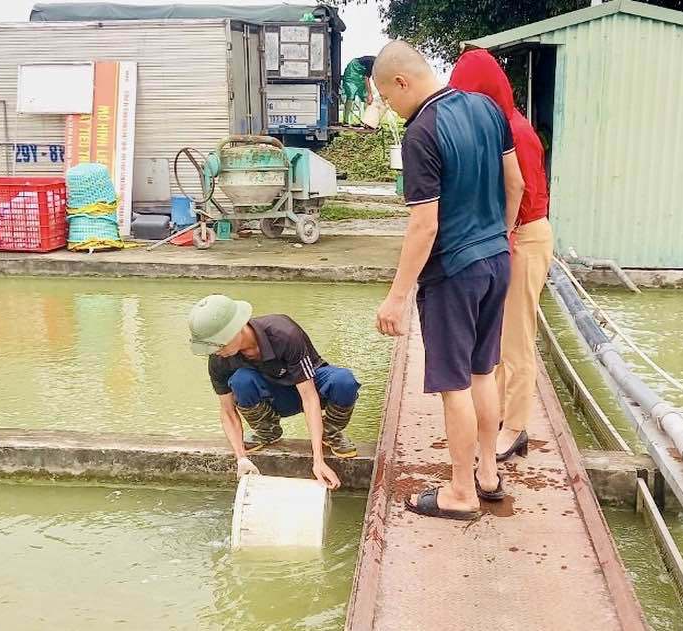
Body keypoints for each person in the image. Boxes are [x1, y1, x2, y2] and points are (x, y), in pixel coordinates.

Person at [371, 41, 525, 520]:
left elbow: (425, 225)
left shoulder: (420, 133)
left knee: (454, 384)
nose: (393, 111)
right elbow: (515, 184)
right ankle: (486, 474)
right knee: (483, 372)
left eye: (388, 99)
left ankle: (459, 493)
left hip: (453, 273)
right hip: (497, 259)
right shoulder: (486, 108)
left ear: (402, 82)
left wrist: (396, 298)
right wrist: (499, 236)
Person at [449, 48, 554, 462]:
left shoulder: (517, 132)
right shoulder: (498, 126)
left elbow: (520, 191)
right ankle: (501, 416)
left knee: (517, 339)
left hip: (525, 236)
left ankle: (516, 426)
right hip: (509, 236)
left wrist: (504, 236)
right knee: (498, 335)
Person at [188, 294, 360, 489]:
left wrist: (318, 460)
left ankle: (329, 433)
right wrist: (241, 458)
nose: (215, 351)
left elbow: (309, 397)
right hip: (273, 397)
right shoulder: (219, 359)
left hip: (309, 387)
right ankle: (267, 431)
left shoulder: (283, 333)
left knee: (344, 381)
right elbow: (227, 411)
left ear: (237, 328)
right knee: (240, 380)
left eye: (218, 344)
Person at [342, 55, 376, 124]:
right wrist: (370, 94)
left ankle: (366, 121)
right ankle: (346, 121)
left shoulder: (380, 67)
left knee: (365, 96)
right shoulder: (373, 63)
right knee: (351, 95)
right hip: (353, 69)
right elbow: (366, 78)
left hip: (361, 74)